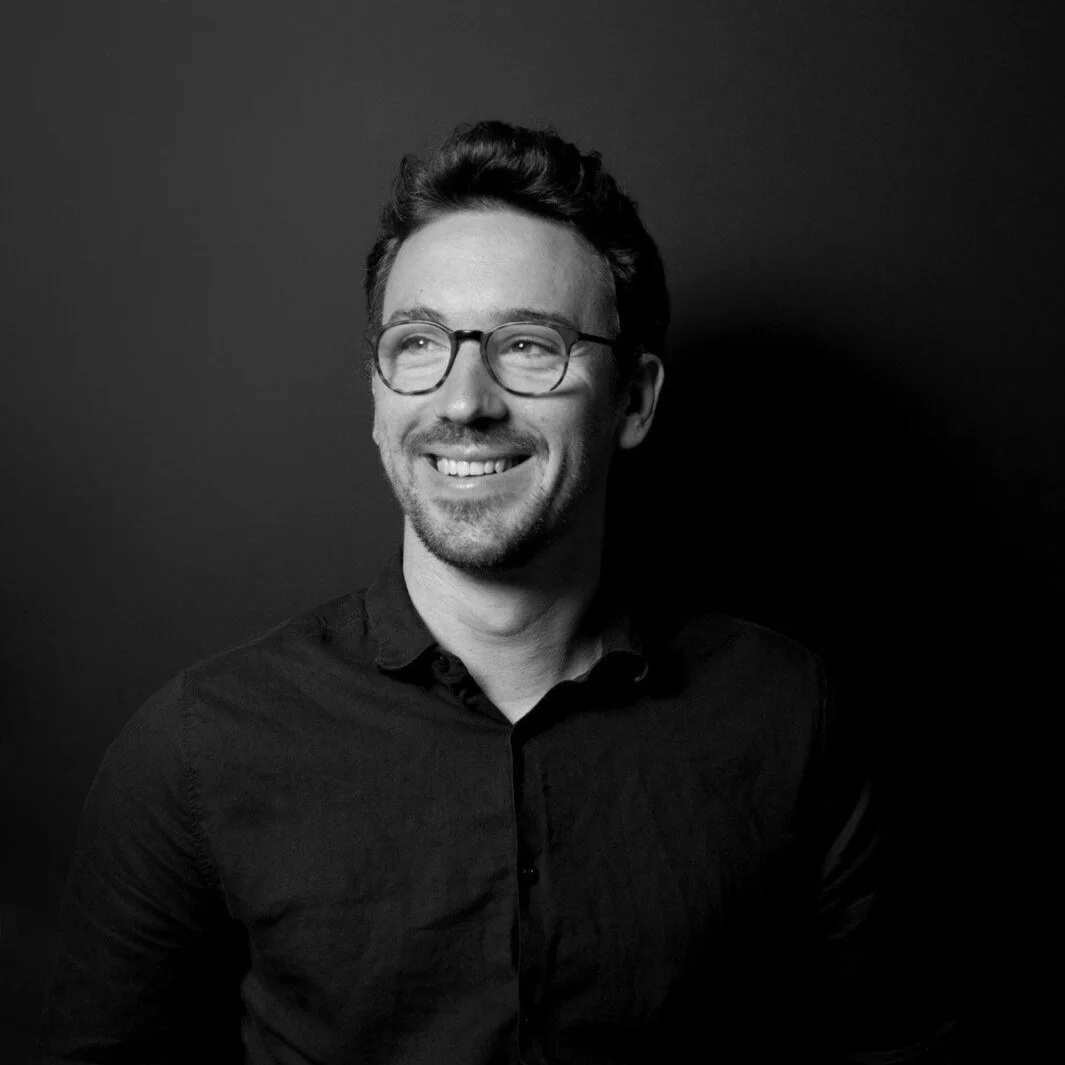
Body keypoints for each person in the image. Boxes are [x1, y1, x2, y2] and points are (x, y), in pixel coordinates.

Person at [38, 120, 949, 1063]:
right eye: (417, 342)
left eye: (528, 344)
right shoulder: (197, 748)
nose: (464, 400)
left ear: (634, 399)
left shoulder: (788, 717)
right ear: (378, 393)